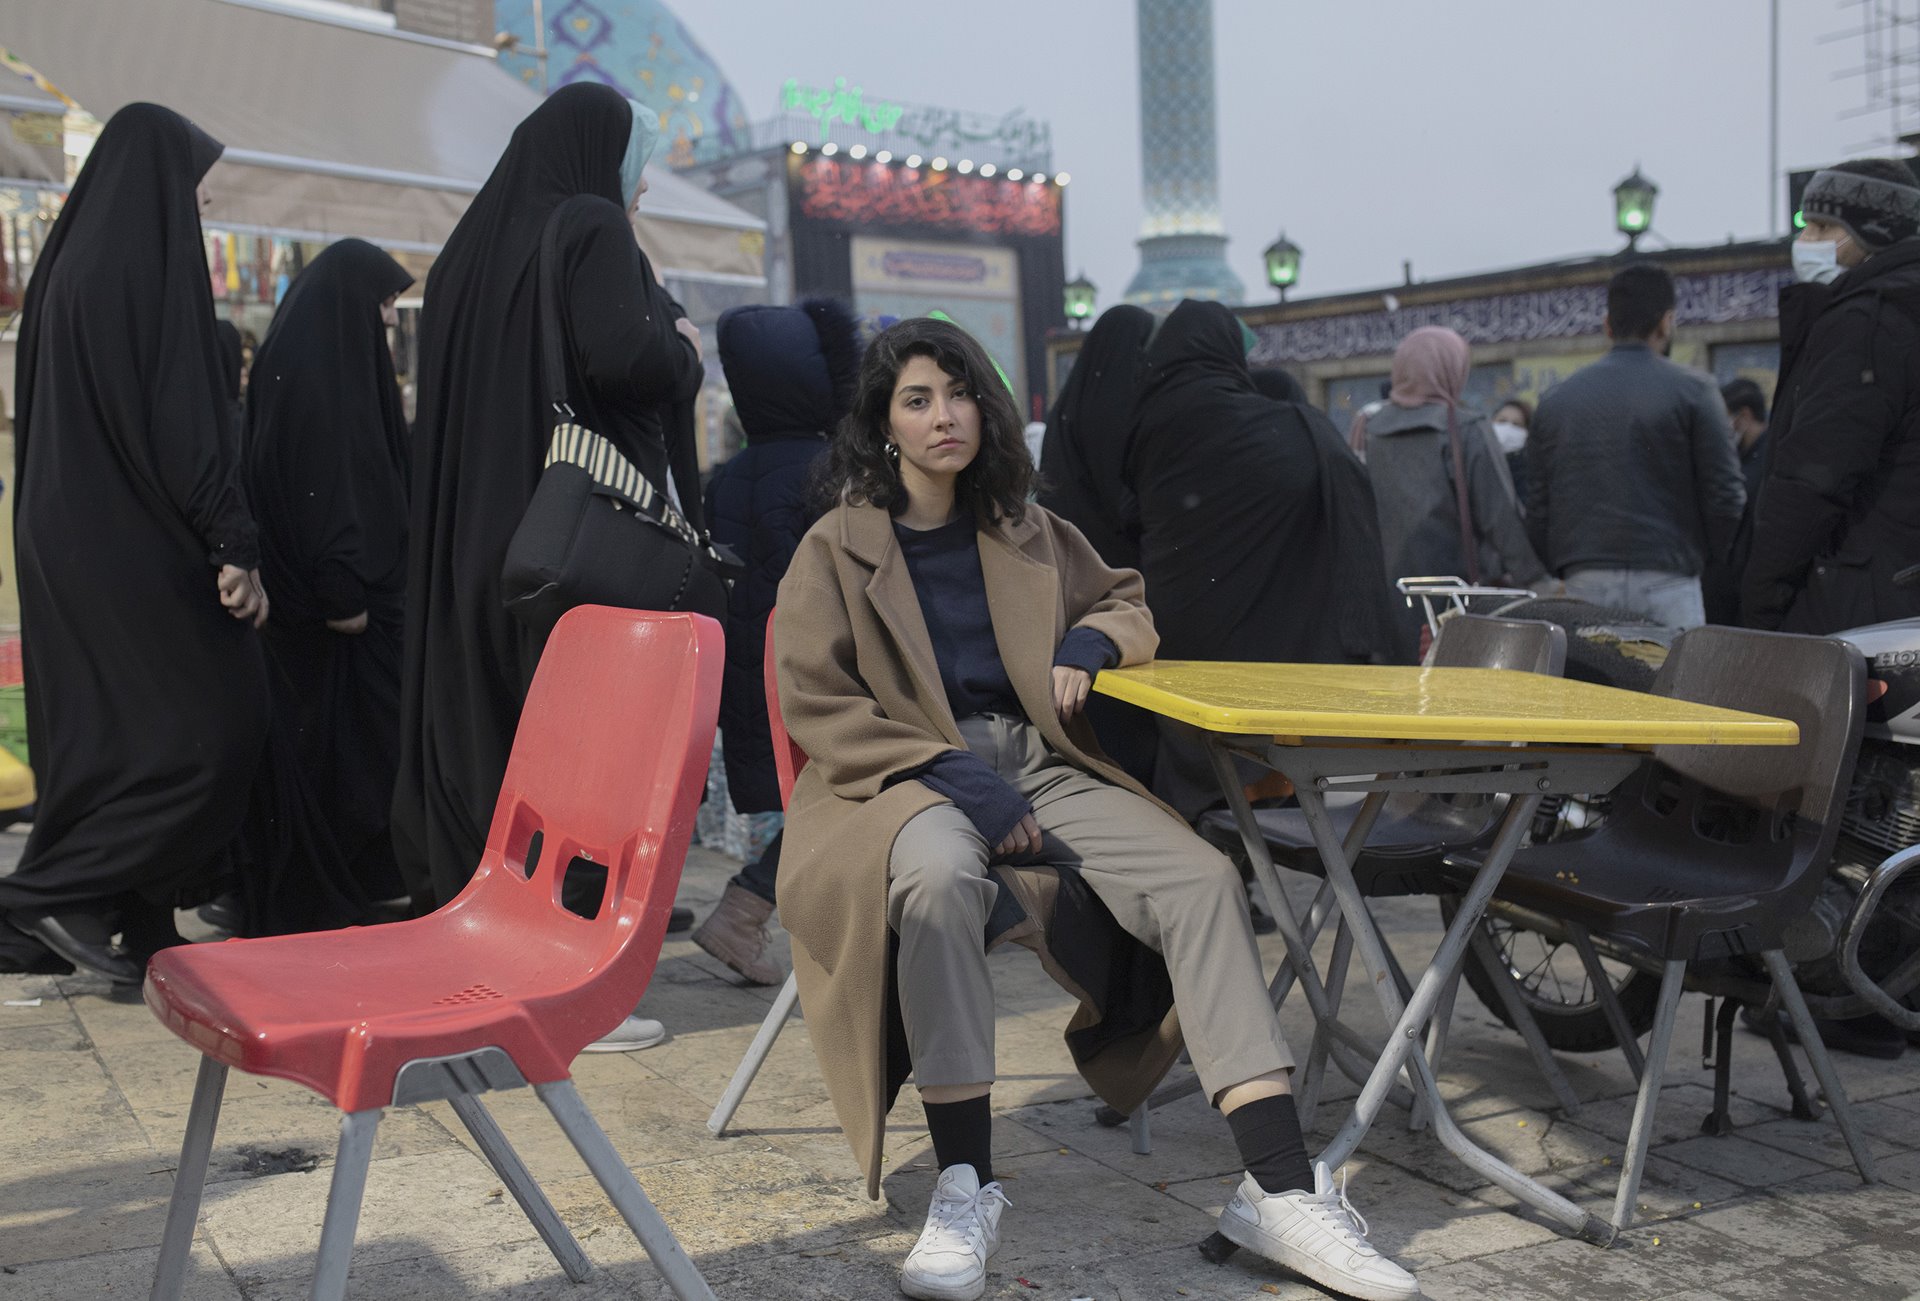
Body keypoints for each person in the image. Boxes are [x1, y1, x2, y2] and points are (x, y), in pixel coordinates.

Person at [772, 316, 1419, 1301]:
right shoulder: (836, 547)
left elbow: (1127, 598)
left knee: (1202, 878)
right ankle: (966, 1179)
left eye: (958, 393)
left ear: (986, 407)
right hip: (899, 777)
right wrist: (959, 776)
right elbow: (817, 703)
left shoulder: (1029, 528)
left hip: (1041, 762)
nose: (944, 415)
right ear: (883, 425)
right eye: (917, 398)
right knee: (941, 877)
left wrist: (1094, 644)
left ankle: (1278, 1189)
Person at [392, 84, 703, 1052]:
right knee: (575, 744)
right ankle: (554, 978)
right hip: (566, 535)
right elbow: (625, 360)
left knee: (490, 728)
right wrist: (681, 346)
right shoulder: (591, 225)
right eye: (636, 160)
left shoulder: (466, 252)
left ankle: (477, 955)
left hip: (474, 533)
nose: (640, 184)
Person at [0, 103, 270, 981]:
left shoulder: (66, 267)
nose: (196, 209)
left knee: (109, 733)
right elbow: (188, 417)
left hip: (63, 534)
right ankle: (47, 892)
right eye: (189, 189)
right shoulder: (152, 267)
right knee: (210, 728)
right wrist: (234, 541)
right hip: (130, 538)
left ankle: (142, 919)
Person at [1127, 300, 1401, 815]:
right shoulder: (1284, 428)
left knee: (1197, 738)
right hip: (1264, 627)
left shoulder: (1148, 420)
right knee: (1255, 736)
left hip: (1179, 620)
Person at [691, 297, 861, 986]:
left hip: (749, 672)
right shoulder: (828, 471)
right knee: (846, 790)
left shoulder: (729, 474)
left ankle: (751, 909)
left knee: (822, 794)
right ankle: (746, 907)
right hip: (816, 670)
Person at [244, 238, 415, 907]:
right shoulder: (325, 374)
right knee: (354, 757)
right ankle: (346, 883)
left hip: (326, 609)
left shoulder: (303, 357)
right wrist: (343, 586)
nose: (392, 319)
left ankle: (353, 880)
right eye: (385, 301)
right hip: (342, 611)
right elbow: (328, 481)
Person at [1742, 159, 1920, 633]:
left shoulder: (1865, 323)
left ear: (1873, 234)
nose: (1806, 242)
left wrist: (1760, 601)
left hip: (1863, 600)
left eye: (1823, 227)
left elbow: (1815, 478)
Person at [1527, 264, 1746, 628]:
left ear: (1607, 325)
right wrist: (1706, 559)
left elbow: (1538, 507)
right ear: (1667, 322)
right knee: (1674, 684)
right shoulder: (1695, 390)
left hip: (1584, 584)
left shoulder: (1555, 399)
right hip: (1670, 581)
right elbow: (1726, 497)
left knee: (1591, 685)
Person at [1354, 327, 1547, 645]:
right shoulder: (1466, 428)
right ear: (1453, 370)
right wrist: (1538, 581)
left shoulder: (1368, 429)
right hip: (1453, 603)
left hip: (1382, 604)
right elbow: (1500, 517)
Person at [1036, 304, 1160, 783]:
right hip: (1118, 577)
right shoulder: (1126, 408)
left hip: (1070, 581)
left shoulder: (1069, 406)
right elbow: (1127, 502)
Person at [1036, 303, 1156, 571]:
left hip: (1069, 555)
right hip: (1116, 563)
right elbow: (1121, 495)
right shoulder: (1118, 408)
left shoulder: (1069, 404)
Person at [1491, 397, 1533, 511]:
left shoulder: (1529, 471)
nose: (1508, 428)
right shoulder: (1475, 460)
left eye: (1516, 425)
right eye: (1502, 421)